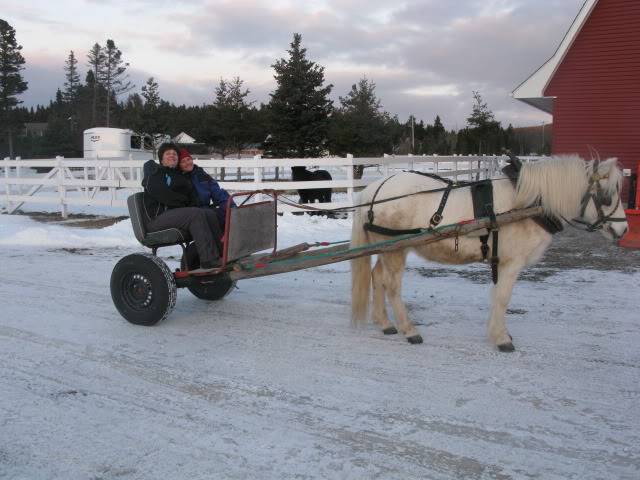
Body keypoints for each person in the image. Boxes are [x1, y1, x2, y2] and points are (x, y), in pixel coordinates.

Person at [142, 142, 223, 270]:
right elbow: (159, 192)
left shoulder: (179, 176)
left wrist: (194, 204)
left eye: (174, 154)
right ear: (161, 159)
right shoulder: (157, 172)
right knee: (194, 214)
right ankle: (209, 260)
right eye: (168, 153)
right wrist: (183, 202)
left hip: (177, 214)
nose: (172, 156)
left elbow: (190, 197)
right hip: (158, 217)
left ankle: (221, 254)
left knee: (209, 214)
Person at [177, 148, 234, 230]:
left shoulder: (200, 174)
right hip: (193, 212)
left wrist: (227, 203)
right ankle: (220, 240)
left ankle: (228, 239)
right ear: (179, 165)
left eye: (188, 159)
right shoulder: (180, 179)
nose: (187, 163)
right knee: (213, 216)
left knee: (228, 212)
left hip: (206, 208)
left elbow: (215, 190)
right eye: (183, 162)